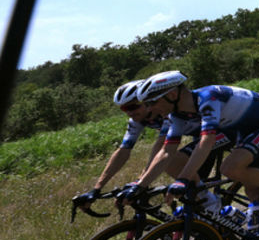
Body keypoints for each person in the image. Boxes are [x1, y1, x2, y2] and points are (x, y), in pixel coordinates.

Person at [124, 70, 259, 240]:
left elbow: (207, 141)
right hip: (238, 130)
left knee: (230, 168)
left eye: (152, 102)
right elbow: (167, 151)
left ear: (172, 94)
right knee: (228, 173)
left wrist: (183, 179)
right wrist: (140, 185)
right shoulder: (177, 115)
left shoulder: (208, 98)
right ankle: (251, 234)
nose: (150, 108)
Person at [72, 80, 220, 215]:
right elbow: (123, 150)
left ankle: (213, 204)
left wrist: (140, 182)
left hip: (215, 134)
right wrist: (97, 188)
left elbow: (162, 147)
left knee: (175, 165)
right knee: (191, 189)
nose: (129, 112)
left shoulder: (166, 113)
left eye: (133, 106)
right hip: (199, 136)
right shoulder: (136, 120)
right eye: (124, 108)